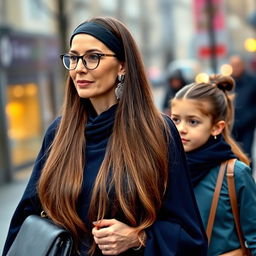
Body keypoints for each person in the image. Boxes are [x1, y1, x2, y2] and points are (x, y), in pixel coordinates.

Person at [2, 17, 207, 256]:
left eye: (92, 57)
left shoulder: (157, 132)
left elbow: (189, 234)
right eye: (74, 58)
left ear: (122, 65)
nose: (79, 68)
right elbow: (26, 219)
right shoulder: (58, 133)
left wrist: (137, 237)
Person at [170, 74, 256, 256]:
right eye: (176, 119)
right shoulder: (163, 168)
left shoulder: (235, 173)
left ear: (217, 127)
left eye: (193, 121)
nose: (181, 128)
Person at [229, 55, 256, 164]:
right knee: (233, 154)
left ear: (243, 65)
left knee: (246, 154)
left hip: (247, 125)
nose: (236, 68)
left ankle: (248, 178)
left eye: (238, 65)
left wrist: (250, 116)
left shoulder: (252, 81)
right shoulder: (228, 82)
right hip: (231, 125)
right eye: (233, 65)